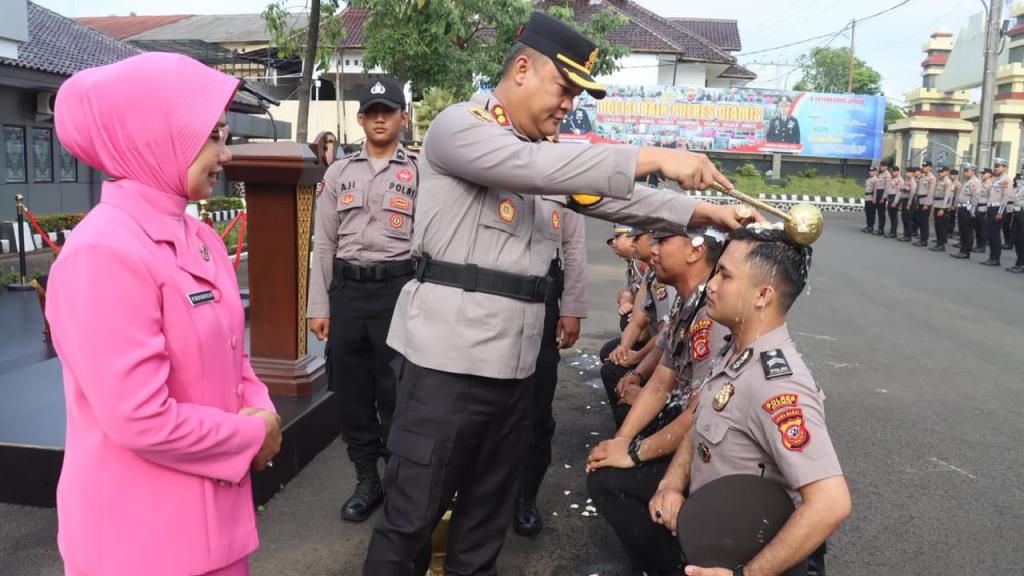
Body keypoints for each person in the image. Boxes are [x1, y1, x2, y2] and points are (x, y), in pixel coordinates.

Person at [363, 11, 754, 575]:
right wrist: (656, 157)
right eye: (564, 88)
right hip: (444, 371)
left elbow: (615, 200)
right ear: (522, 69)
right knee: (408, 525)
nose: (569, 104)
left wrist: (702, 211)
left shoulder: (542, 155)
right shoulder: (461, 127)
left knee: (483, 529)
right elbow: (534, 166)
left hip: (514, 373)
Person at [47, 52, 281, 576]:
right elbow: (140, 416)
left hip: (216, 527)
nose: (224, 154)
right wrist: (251, 436)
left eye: (225, 135)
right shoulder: (104, 252)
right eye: (212, 135)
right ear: (155, 135)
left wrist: (263, 412)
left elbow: (234, 355)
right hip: (140, 543)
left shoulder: (199, 237)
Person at [650, 226, 851, 576]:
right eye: (716, 272)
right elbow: (700, 427)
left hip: (752, 554)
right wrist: (671, 485)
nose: (711, 285)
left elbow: (831, 503)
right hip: (715, 533)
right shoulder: (734, 349)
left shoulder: (778, 386)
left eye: (725, 276)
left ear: (763, 295)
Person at [307, 75, 418, 523]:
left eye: (387, 111)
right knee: (352, 391)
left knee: (397, 390)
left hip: (398, 291)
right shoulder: (339, 173)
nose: (379, 119)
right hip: (349, 293)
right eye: (371, 112)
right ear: (360, 119)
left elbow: (429, 242)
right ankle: (366, 479)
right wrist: (319, 306)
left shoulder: (420, 172)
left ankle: (399, 480)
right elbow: (324, 244)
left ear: (402, 118)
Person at [587, 228, 727, 576]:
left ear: (694, 252)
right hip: (689, 423)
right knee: (612, 456)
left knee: (609, 481)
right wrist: (622, 441)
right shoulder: (688, 302)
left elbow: (699, 413)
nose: (652, 248)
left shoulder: (712, 316)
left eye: (663, 241)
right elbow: (662, 379)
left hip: (712, 449)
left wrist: (634, 452)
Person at [514, 208, 587, 537]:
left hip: (542, 302)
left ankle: (525, 496)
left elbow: (573, 244)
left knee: (537, 409)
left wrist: (572, 308)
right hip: (487, 302)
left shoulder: (562, 180)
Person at [982, 158, 1012, 266]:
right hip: (991, 208)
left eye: (998, 166)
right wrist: (987, 209)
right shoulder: (995, 179)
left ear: (1004, 167)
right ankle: (991, 257)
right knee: (990, 234)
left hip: (998, 209)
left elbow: (1005, 197)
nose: (996, 168)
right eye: (995, 166)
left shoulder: (1006, 179)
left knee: (995, 235)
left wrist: (1000, 212)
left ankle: (995, 259)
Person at [951, 164, 979, 259]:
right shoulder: (967, 181)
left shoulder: (974, 182)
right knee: (962, 231)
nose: (965, 173)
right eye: (964, 171)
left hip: (968, 209)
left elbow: (975, 198)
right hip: (962, 208)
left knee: (967, 231)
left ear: (972, 171)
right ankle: (962, 250)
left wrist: (973, 211)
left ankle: (966, 252)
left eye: (967, 171)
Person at [913, 161, 937, 247]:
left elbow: (931, 192)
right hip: (919, 201)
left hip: (926, 201)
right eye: (923, 166)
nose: (924, 168)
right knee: (920, 221)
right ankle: (921, 238)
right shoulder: (922, 177)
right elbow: (918, 189)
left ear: (930, 167)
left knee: (924, 221)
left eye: (926, 166)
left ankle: (924, 240)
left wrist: (926, 204)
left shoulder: (932, 178)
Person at [930, 166, 953, 252]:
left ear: (947, 172)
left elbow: (947, 196)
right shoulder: (940, 181)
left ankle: (941, 245)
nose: (940, 173)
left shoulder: (947, 182)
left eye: (942, 171)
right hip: (937, 205)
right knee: (937, 226)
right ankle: (938, 243)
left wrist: (942, 208)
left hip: (942, 206)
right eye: (939, 172)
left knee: (942, 226)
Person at [976, 168, 993, 253]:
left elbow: (991, 198)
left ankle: (982, 246)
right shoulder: (980, 182)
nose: (982, 175)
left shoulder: (990, 184)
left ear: (989, 174)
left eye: (984, 173)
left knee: (983, 229)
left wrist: (988, 211)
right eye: (982, 173)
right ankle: (978, 245)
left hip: (984, 208)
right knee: (977, 228)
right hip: (977, 207)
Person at [898, 166, 918, 242]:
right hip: (905, 200)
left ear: (912, 173)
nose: (906, 173)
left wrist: (909, 203)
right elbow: (901, 188)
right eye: (906, 172)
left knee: (908, 219)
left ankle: (908, 236)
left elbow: (912, 192)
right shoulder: (907, 180)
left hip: (909, 201)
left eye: (908, 172)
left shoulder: (912, 181)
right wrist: (904, 188)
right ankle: (905, 234)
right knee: (904, 218)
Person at [873, 161, 891, 235]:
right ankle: (879, 228)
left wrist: (884, 197)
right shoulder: (880, 174)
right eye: (881, 166)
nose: (881, 167)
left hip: (882, 193)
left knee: (881, 213)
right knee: (879, 212)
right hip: (878, 192)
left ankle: (881, 229)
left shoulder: (887, 175)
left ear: (886, 167)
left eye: (883, 166)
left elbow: (887, 187)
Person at [884, 165, 903, 238]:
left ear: (898, 171)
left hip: (895, 198)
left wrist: (895, 202)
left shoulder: (900, 180)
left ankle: (893, 232)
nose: (893, 173)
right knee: (891, 215)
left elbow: (899, 192)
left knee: (894, 216)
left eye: (895, 171)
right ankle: (892, 231)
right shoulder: (893, 179)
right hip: (890, 197)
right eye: (892, 171)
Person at [861, 166, 877, 233]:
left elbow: (875, 190)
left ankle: (871, 227)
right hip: (867, 197)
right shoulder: (868, 179)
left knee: (871, 213)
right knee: (867, 213)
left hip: (871, 198)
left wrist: (874, 198)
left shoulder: (875, 180)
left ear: (875, 172)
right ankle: (868, 226)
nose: (871, 172)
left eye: (872, 171)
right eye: (870, 171)